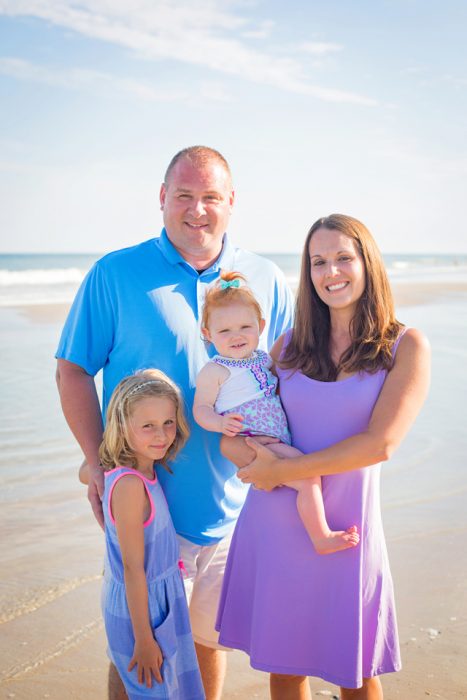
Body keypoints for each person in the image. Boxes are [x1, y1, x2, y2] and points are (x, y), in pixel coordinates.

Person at [55, 145, 293, 700]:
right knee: (139, 651)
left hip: (237, 507)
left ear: (231, 203)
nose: (197, 210)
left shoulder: (266, 278)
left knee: (210, 642)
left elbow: (285, 378)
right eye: (183, 195)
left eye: (211, 197)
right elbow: (71, 372)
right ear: (163, 199)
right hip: (148, 505)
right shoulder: (114, 273)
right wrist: (95, 464)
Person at [216, 214, 431, 700]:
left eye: (342, 258)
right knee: (286, 669)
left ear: (367, 263)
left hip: (345, 531)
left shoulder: (405, 346)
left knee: (354, 672)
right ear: (307, 273)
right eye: (318, 262)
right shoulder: (288, 346)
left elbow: (381, 444)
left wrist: (283, 469)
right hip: (275, 521)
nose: (330, 271)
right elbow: (241, 426)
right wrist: (246, 459)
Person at [194, 269, 359, 555]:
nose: (236, 337)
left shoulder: (262, 359)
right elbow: (201, 409)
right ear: (207, 334)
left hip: (276, 439)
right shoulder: (216, 370)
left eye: (245, 327)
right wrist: (220, 424)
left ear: (260, 325)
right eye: (224, 331)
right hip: (252, 441)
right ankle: (321, 536)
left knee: (306, 478)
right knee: (308, 480)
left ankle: (300, 536)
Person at [99, 369, 204, 699]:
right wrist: (144, 639)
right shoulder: (130, 486)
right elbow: (132, 568)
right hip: (141, 610)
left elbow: (89, 468)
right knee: (152, 689)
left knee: (168, 688)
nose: (161, 435)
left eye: (168, 422)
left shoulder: (143, 470)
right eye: (148, 426)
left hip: (158, 598)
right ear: (122, 426)